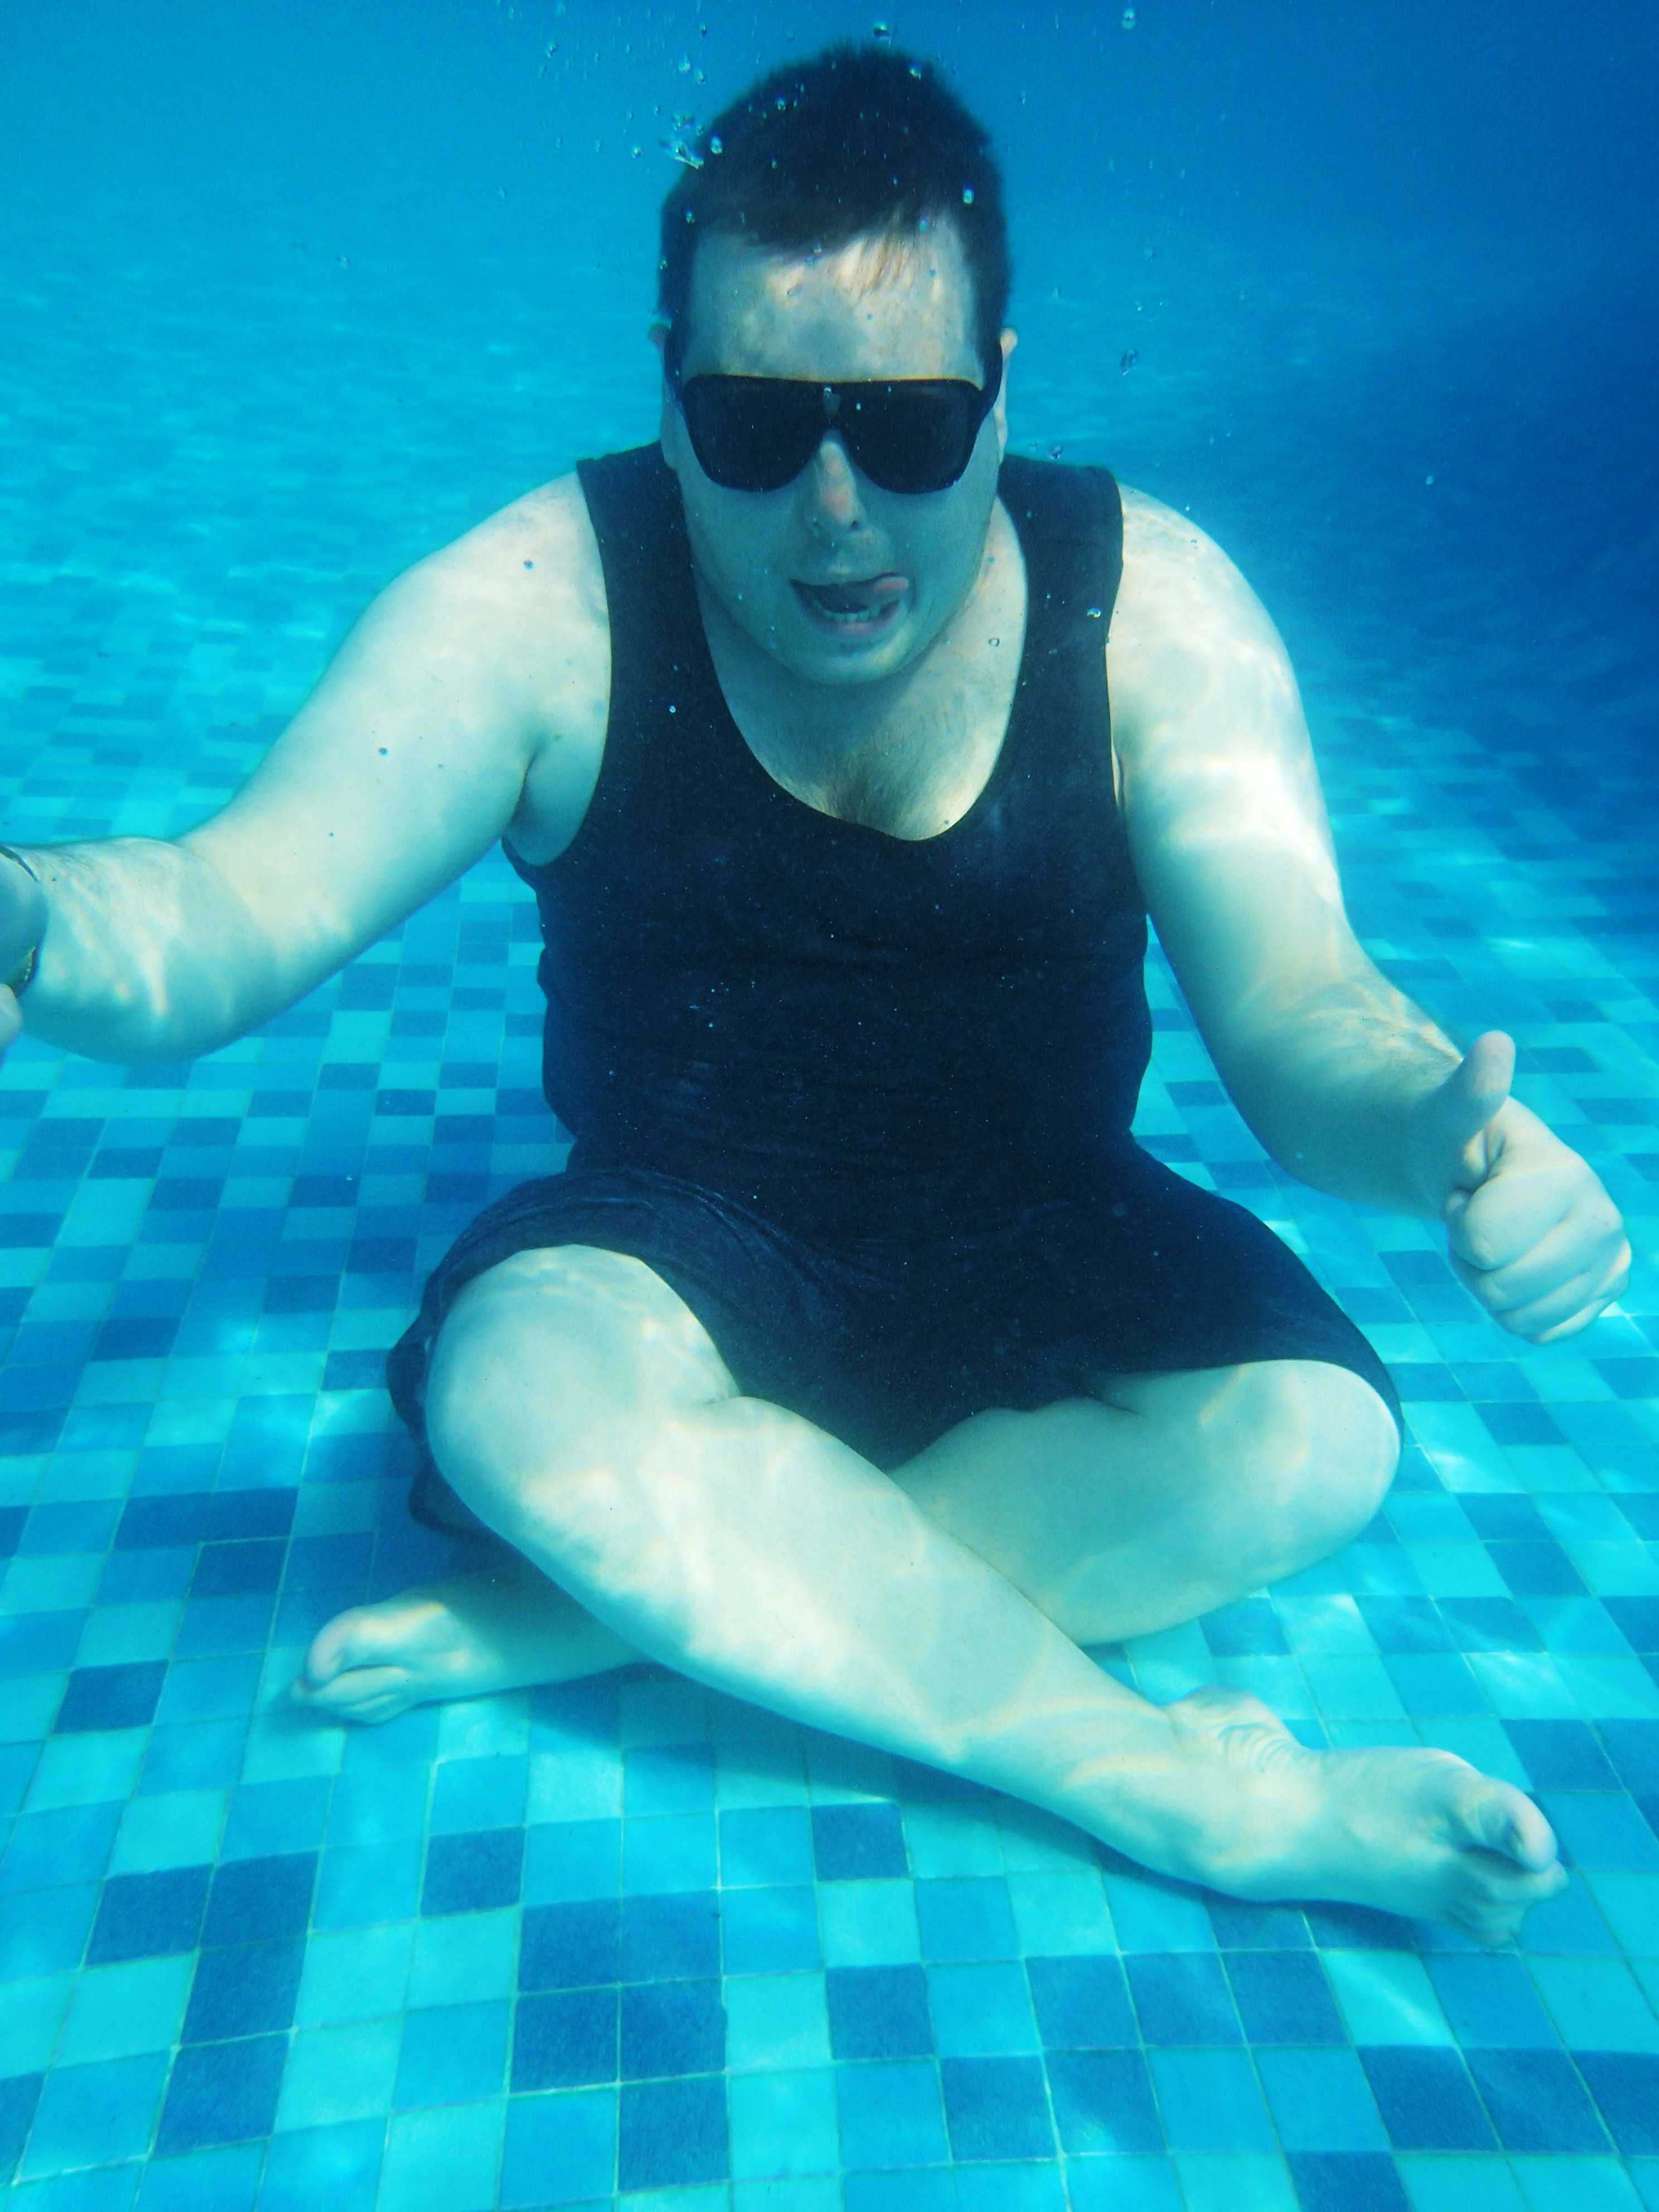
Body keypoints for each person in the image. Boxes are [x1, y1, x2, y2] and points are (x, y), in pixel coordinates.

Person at [2, 45, 1626, 1943]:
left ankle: (620, 1607)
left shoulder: (1157, 610)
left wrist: (1440, 1138)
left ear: (1002, 387)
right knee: (520, 1397)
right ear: (668, 392)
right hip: (680, 1239)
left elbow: (1302, 1015)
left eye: (910, 428)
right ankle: (1178, 1789)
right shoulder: (540, 606)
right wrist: (25, 915)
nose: (836, 510)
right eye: (756, 428)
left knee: (1320, 1442)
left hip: (1045, 1226)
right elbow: (220, 909)